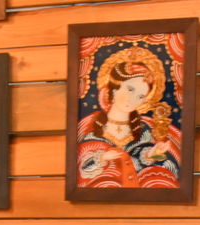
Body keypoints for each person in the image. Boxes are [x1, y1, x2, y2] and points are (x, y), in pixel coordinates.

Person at [77, 50, 180, 189]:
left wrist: (152, 154)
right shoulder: (92, 125)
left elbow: (137, 164)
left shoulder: (142, 129)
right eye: (130, 89)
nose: (133, 99)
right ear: (114, 88)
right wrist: (102, 157)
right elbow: (81, 169)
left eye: (140, 96)